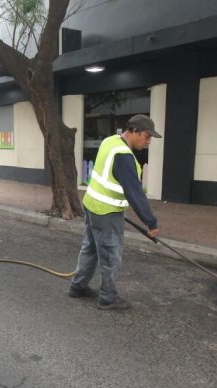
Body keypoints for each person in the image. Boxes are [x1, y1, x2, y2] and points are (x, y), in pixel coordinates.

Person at [69, 114, 162, 310]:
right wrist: (151, 222)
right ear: (134, 131)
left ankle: (78, 286)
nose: (148, 141)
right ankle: (108, 298)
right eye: (147, 136)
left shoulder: (110, 141)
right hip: (107, 213)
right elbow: (135, 193)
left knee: (90, 249)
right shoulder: (124, 156)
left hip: (92, 205)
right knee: (111, 256)